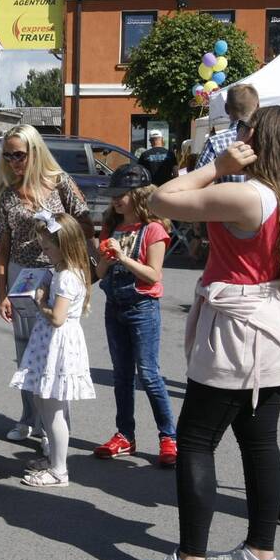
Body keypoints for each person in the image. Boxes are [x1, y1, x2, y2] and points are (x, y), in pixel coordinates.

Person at [138, 106, 280, 560]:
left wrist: (216, 167)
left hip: (239, 326)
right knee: (260, 438)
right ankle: (260, 554)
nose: (235, 136)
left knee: (198, 440)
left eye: (244, 130)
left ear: (258, 141)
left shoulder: (248, 194)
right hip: (271, 323)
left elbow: (160, 199)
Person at [0, 124, 93, 443]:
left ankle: (56, 425)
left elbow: (85, 226)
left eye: (18, 155)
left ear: (35, 152)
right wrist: (2, 291)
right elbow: (3, 246)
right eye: (7, 156)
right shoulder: (8, 194)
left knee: (55, 350)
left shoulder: (60, 183)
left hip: (57, 274)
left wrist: (77, 265)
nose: (13, 162)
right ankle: (30, 416)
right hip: (22, 275)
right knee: (25, 352)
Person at [93, 164, 177, 467]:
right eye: (113, 195)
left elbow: (153, 276)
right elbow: (99, 273)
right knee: (122, 376)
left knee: (150, 375)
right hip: (114, 306)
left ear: (139, 195)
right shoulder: (112, 227)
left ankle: (168, 437)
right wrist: (105, 259)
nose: (115, 200)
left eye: (122, 194)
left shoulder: (153, 229)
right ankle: (124, 435)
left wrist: (124, 257)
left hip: (142, 307)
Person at [10, 211, 95, 488]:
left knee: (54, 409)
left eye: (48, 245)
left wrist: (40, 302)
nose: (44, 249)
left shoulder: (68, 276)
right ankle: (54, 459)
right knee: (45, 404)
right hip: (51, 343)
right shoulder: (61, 271)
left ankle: (60, 470)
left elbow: (57, 317)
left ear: (65, 245)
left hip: (59, 343)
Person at [197, 84, 260, 184]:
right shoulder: (270, 138)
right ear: (258, 107)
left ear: (226, 108)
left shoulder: (214, 143)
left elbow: (198, 182)